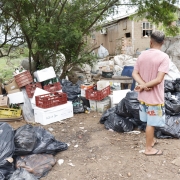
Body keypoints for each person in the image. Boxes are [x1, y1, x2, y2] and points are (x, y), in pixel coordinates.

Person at [132, 31, 169, 156]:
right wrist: (145, 85)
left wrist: (142, 85)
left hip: (143, 96)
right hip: (154, 97)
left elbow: (134, 73)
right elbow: (159, 80)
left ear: (150, 41)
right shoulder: (164, 57)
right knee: (151, 123)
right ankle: (148, 149)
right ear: (163, 42)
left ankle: (151, 140)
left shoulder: (142, 55)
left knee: (148, 120)